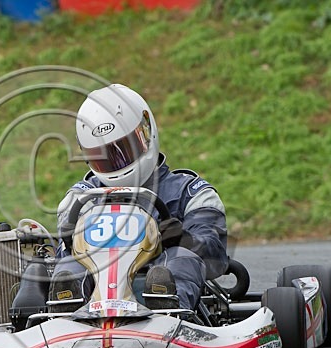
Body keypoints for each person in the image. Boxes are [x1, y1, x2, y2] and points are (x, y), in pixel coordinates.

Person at [50, 83, 229, 311]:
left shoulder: (191, 192)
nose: (117, 164)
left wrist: (185, 240)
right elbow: (61, 255)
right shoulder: (80, 199)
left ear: (147, 131)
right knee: (69, 264)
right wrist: (68, 240)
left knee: (179, 257)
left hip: (157, 292)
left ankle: (166, 307)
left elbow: (216, 258)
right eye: (103, 157)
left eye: (124, 150)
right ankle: (65, 312)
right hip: (93, 299)